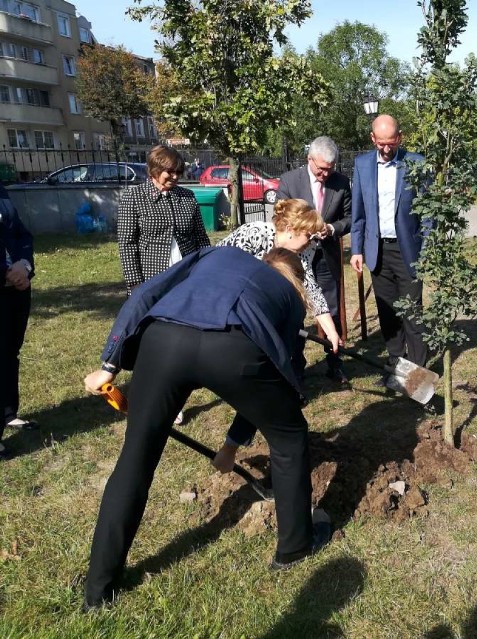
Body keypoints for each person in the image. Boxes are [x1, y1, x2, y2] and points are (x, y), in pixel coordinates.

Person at [82, 246, 325, 610]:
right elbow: (282, 377)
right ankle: (294, 548)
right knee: (289, 438)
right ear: (297, 281)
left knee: (136, 458)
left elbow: (147, 293)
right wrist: (239, 438)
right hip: (235, 347)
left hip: (162, 340)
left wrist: (110, 363)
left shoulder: (216, 254)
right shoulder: (289, 300)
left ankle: (98, 590)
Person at [213, 199, 341, 474]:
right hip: (234, 317)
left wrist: (331, 332)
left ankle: (237, 445)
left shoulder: (301, 254)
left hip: (272, 321)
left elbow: (312, 292)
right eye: (308, 235)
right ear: (292, 229)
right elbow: (215, 263)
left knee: (273, 385)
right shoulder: (254, 234)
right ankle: (234, 447)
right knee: (256, 387)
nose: (311, 242)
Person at [350, 114, 427, 375]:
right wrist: (357, 249)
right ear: (373, 138)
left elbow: (428, 213)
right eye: (380, 143)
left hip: (409, 251)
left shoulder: (416, 163)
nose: (385, 148)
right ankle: (396, 364)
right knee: (387, 312)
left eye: (390, 143)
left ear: (399, 137)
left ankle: (417, 373)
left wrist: (426, 251)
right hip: (377, 250)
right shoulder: (361, 165)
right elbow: (358, 213)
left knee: (413, 314)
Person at [276, 136, 352, 385]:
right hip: (294, 259)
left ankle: (335, 364)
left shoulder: (340, 183)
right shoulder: (289, 181)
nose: (325, 175)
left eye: (330, 169)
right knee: (294, 312)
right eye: (321, 169)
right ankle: (296, 369)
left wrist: (331, 228)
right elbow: (280, 220)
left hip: (325, 257)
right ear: (310, 160)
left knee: (331, 309)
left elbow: (350, 218)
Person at [117, 145, 210, 297]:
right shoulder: (133, 197)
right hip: (152, 276)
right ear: (155, 170)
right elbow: (127, 244)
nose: (175, 177)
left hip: (187, 272)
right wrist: (135, 284)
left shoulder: (187, 196)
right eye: (170, 172)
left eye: (178, 172)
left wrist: (206, 268)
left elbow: (200, 236)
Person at [1, 185, 36, 459]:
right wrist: (6, 272)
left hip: (16, 291)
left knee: (10, 353)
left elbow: (22, 234)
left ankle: (8, 413)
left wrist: (24, 265)